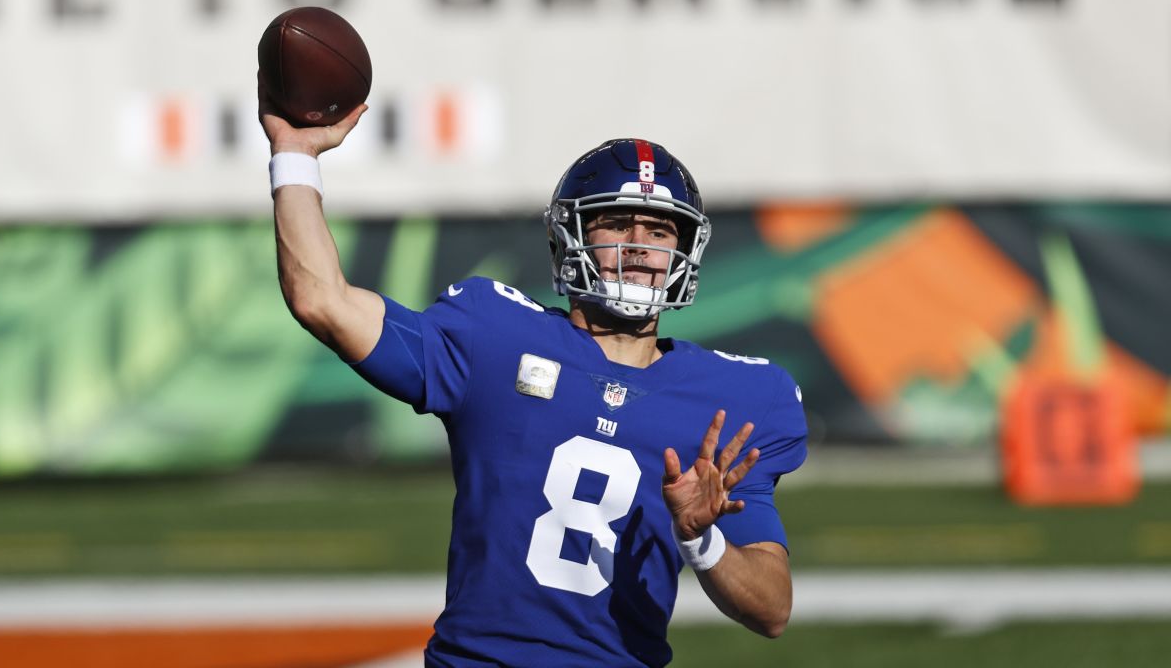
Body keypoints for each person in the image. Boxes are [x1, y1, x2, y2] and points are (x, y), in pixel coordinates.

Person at [262, 100, 808, 667]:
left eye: (660, 229)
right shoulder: (494, 337)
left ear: (686, 248)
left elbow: (771, 609)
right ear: (567, 239)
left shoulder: (734, 401)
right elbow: (323, 300)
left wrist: (702, 540)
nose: (640, 244)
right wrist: (296, 156)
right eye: (617, 223)